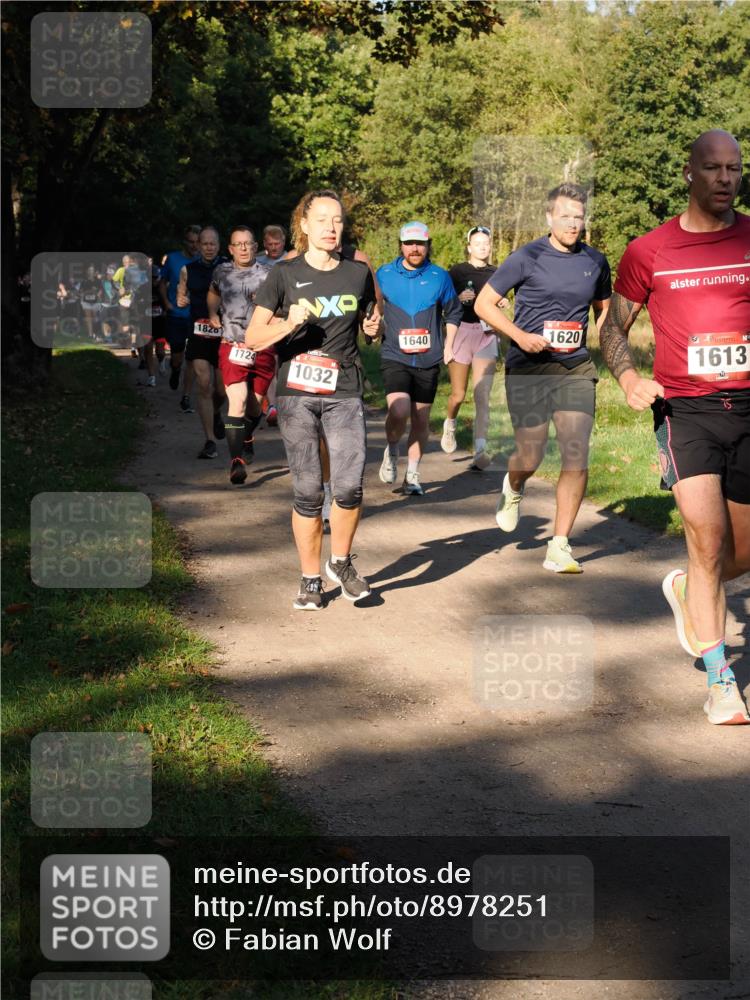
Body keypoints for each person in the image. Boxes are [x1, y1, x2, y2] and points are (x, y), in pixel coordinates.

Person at [599, 129, 749, 725]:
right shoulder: (650, 250)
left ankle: (689, 588)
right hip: (685, 411)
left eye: (734, 168)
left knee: (738, 551)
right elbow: (613, 325)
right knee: (708, 539)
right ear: (689, 173)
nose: (725, 179)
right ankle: (721, 682)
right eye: (713, 168)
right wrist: (629, 380)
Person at [247, 189, 380, 610]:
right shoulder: (283, 275)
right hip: (297, 394)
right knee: (307, 491)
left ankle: (339, 562)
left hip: (344, 391)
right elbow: (253, 338)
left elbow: (371, 326)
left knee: (349, 485)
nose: (330, 228)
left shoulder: (358, 274)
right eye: (322, 220)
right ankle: (309, 580)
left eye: (337, 220)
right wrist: (288, 323)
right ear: (303, 226)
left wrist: (374, 330)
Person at [475, 183, 611, 573]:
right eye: (565, 216)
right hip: (529, 367)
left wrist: (609, 334)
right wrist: (519, 336)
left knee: (575, 450)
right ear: (550, 217)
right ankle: (514, 486)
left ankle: (560, 544)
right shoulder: (527, 256)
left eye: (578, 216)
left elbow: (604, 310)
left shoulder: (596, 261)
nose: (573, 223)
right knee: (530, 453)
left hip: (575, 368)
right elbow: (485, 304)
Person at [376, 221, 463, 496]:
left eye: (420, 243)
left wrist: (449, 345)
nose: (415, 249)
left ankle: (412, 474)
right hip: (395, 355)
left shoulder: (440, 276)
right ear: (401, 245)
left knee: (421, 419)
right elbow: (372, 309)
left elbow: (454, 312)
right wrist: (372, 326)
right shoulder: (384, 273)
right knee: (399, 410)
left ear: (428, 245)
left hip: (428, 359)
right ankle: (391, 450)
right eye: (409, 243)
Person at [207, 226, 272, 484]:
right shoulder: (221, 272)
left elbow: (282, 305)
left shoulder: (270, 274)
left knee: (255, 406)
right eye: (238, 244)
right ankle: (236, 462)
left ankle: (247, 436)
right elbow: (213, 292)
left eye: (248, 244)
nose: (244, 248)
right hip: (232, 344)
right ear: (231, 249)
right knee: (238, 400)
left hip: (263, 346)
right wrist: (213, 314)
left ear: (255, 247)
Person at [444, 226, 501, 469]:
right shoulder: (457, 271)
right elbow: (444, 301)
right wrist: (458, 300)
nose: (482, 247)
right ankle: (450, 423)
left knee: (482, 397)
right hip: (461, 332)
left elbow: (500, 298)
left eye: (486, 243)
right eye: (477, 243)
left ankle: (480, 451)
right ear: (469, 247)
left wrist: (503, 301)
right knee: (458, 395)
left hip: (487, 335)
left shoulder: (497, 272)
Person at [177, 227, 229, 459]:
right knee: (204, 384)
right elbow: (180, 295)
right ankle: (209, 440)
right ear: (198, 246)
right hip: (198, 333)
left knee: (221, 389)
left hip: (223, 334)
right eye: (204, 243)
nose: (208, 247)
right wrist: (181, 299)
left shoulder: (228, 268)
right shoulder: (188, 270)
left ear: (219, 245)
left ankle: (217, 412)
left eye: (212, 243)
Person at [160, 224, 201, 411]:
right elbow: (162, 283)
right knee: (177, 356)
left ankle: (186, 395)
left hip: (196, 316)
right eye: (191, 242)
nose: (194, 246)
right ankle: (175, 369)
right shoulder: (173, 259)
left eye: (197, 242)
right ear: (185, 242)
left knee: (192, 357)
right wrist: (167, 304)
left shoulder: (203, 260)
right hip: (176, 314)